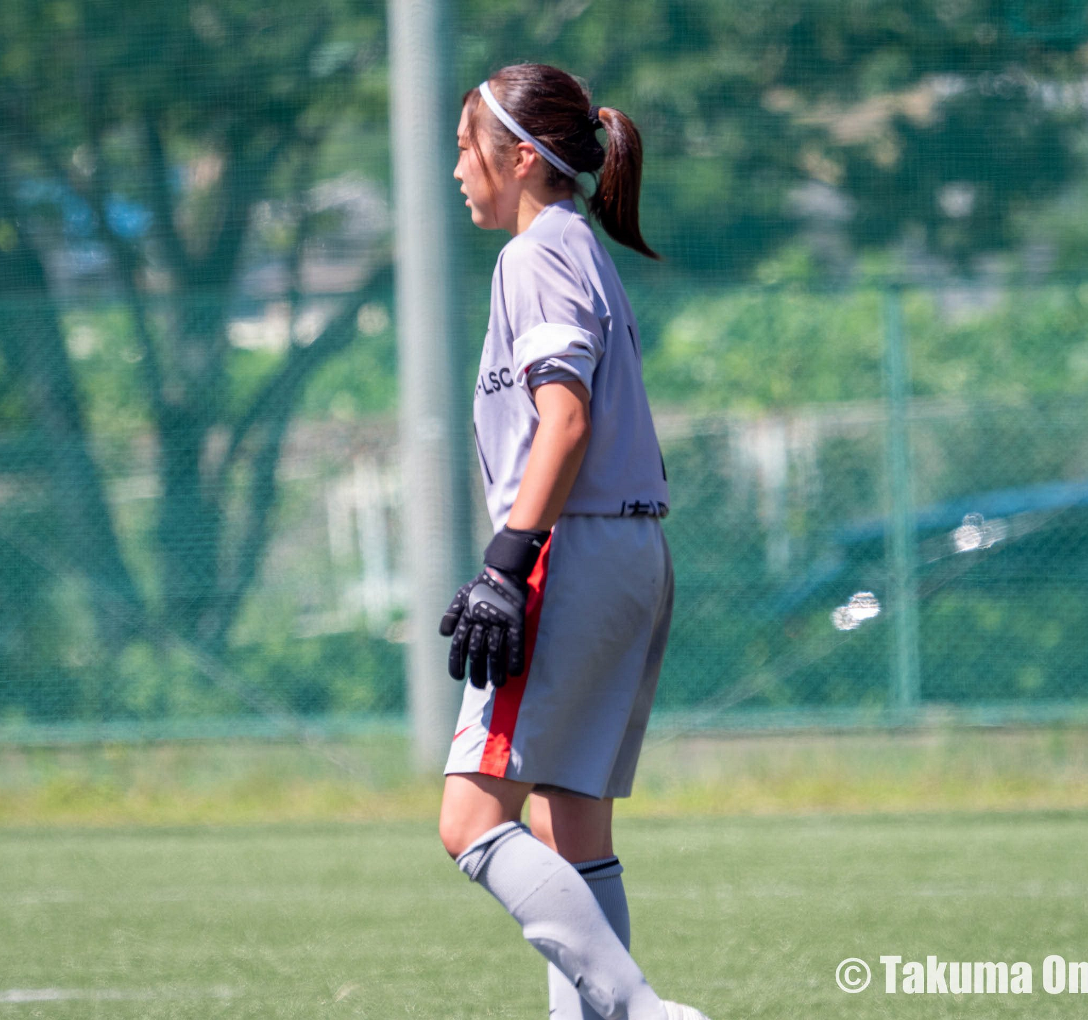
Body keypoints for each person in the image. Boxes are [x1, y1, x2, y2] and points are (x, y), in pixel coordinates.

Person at [436, 63, 711, 1020]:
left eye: (464, 147)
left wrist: (506, 565)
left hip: (571, 554)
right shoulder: (576, 244)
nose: (455, 168)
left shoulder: (536, 253)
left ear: (517, 156)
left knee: (470, 822)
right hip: (628, 551)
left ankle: (639, 1010)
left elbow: (565, 420)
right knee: (569, 825)